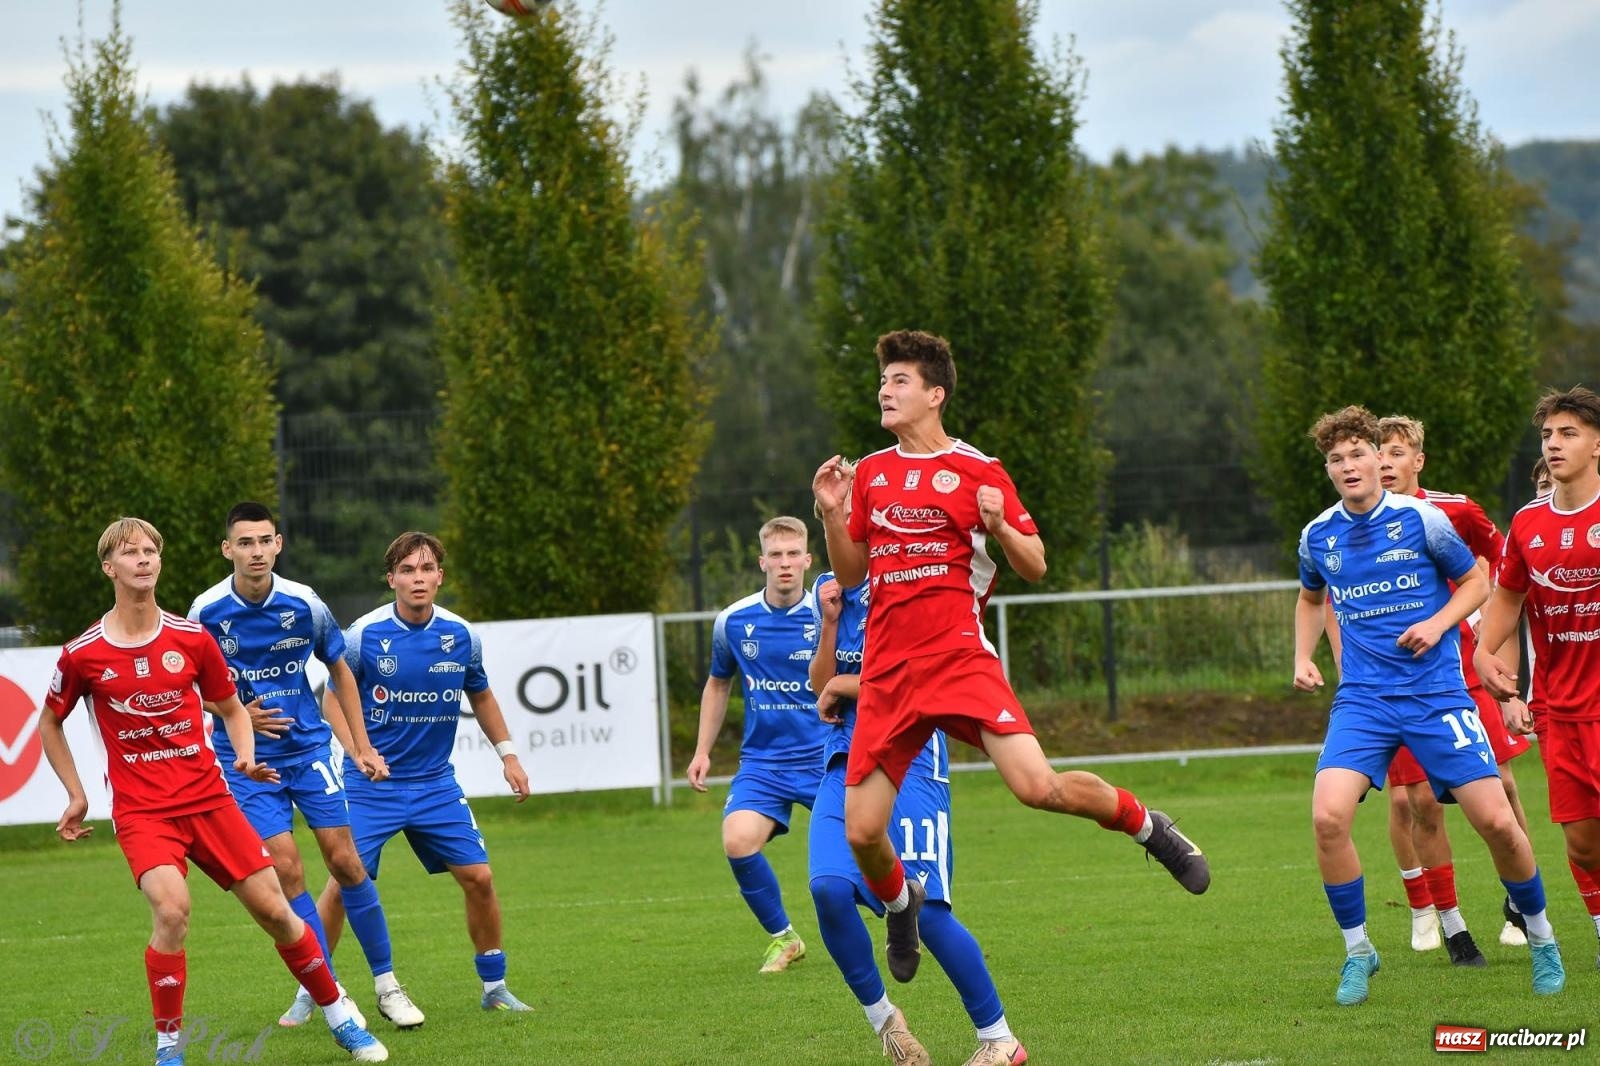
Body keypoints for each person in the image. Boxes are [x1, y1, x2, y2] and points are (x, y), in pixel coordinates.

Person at [810, 329, 1209, 992]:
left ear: (935, 394)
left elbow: (1036, 562)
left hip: (958, 659)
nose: (886, 390)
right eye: (883, 381)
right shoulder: (872, 474)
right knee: (861, 833)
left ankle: (1150, 827)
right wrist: (832, 513)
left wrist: (999, 527)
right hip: (886, 671)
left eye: (900, 380)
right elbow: (851, 573)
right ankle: (902, 903)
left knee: (1036, 788)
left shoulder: (979, 472)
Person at [35, 518, 386, 1066]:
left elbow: (228, 707)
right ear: (110, 568)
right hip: (144, 813)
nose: (145, 559)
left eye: (152, 550)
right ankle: (168, 1050)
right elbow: (49, 721)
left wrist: (244, 755)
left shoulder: (191, 638)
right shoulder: (83, 654)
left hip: (211, 801)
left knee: (276, 912)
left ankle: (340, 1013)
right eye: (131, 553)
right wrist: (77, 794)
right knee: (172, 912)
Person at [1293, 406, 1563, 1006]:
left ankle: (1542, 937)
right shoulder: (1318, 534)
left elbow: (1477, 582)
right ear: (1330, 470)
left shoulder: (1424, 520)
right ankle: (1359, 950)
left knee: (1496, 819)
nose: (1349, 466)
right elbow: (1311, 599)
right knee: (1328, 817)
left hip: (1436, 695)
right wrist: (1303, 656)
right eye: (1335, 459)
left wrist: (1438, 624)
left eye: (1358, 454)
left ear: (1378, 458)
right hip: (1363, 700)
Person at [188, 502, 424, 1030]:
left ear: (279, 544)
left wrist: (360, 746)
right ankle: (330, 991)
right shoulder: (206, 611)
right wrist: (231, 711)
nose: (255, 551)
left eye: (264, 541)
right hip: (246, 763)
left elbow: (340, 670)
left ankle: (388, 985)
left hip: (310, 751)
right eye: (244, 543)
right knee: (287, 869)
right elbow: (183, 684)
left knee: (345, 862)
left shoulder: (304, 603)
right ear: (228, 549)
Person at [810, 548, 1024, 1066]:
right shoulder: (831, 590)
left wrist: (849, 685)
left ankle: (999, 1039)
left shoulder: (915, 579)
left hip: (910, 761)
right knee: (829, 889)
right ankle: (888, 1024)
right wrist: (831, 626)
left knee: (925, 912)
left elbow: (923, 682)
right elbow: (820, 683)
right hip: (846, 762)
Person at [310, 531, 535, 1012]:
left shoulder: (461, 636)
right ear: (391, 578)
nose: (418, 578)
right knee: (341, 882)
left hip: (435, 783)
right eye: (407, 570)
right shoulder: (363, 635)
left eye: (426, 568)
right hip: (373, 786)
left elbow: (482, 694)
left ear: (440, 576)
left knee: (479, 878)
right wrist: (357, 753)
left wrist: (509, 755)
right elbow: (331, 698)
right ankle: (312, 992)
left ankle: (494, 988)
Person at [1373, 417, 1535, 958]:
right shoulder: (1355, 524)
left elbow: (1502, 569)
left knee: (1503, 791)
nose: (1385, 462)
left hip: (1462, 671)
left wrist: (1490, 649)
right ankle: (1445, 919)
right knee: (1418, 801)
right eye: (1379, 453)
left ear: (1418, 460)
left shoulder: (1454, 509)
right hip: (1397, 681)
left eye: (1396, 452)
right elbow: (1327, 599)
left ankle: (1520, 903)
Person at [1476, 386, 1600, 971]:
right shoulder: (1528, 523)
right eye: (1548, 435)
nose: (1554, 444)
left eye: (1568, 433)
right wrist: (1483, 653)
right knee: (1582, 843)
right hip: (1559, 707)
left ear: (1597, 444)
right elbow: (1506, 596)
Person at [686, 516, 824, 973]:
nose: (785, 564)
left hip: (826, 757)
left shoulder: (828, 615)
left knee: (860, 848)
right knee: (738, 841)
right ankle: (784, 939)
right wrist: (703, 750)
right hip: (763, 763)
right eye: (776, 555)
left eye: (793, 555)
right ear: (762, 560)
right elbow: (718, 684)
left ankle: (903, 915)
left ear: (807, 559)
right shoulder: (733, 620)